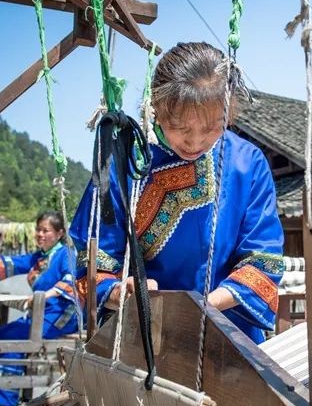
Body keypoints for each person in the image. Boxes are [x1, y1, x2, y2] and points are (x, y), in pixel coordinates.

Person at [69, 41, 285, 344]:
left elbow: (263, 259)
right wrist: (121, 291)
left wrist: (203, 307)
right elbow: (91, 259)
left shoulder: (246, 164)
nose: (196, 141)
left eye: (213, 127)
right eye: (180, 127)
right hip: (140, 335)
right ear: (156, 107)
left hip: (230, 334)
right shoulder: (121, 165)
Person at [0, 210, 79, 406]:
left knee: (15, 341)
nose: (40, 234)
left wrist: (43, 296)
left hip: (60, 314)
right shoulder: (40, 258)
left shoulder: (66, 254)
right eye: (38, 230)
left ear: (60, 233)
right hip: (40, 313)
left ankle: (3, 399)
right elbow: (15, 263)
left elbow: (70, 282)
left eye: (46, 230)